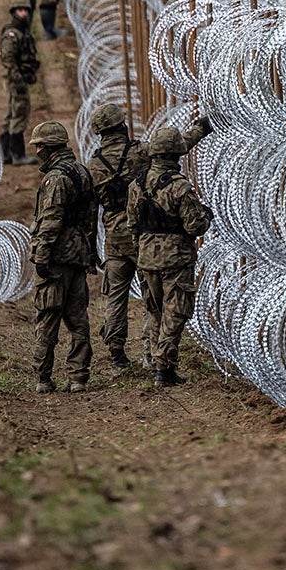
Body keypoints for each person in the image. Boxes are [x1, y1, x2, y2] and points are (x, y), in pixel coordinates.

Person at [133, 120, 211, 387]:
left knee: (154, 310)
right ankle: (164, 368)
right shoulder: (179, 186)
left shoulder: (138, 183)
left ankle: (153, 358)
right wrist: (206, 214)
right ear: (178, 154)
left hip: (146, 257)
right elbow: (195, 225)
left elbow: (133, 222)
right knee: (175, 312)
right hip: (176, 258)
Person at [28, 121, 97, 393]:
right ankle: (78, 376)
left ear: (49, 147)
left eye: (39, 146)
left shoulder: (56, 179)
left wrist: (41, 256)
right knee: (78, 320)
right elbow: (91, 218)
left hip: (57, 258)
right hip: (78, 255)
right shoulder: (82, 172)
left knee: (48, 318)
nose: (37, 152)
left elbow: (50, 221)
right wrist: (89, 253)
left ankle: (43, 378)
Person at [85, 102, 150, 374]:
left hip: (114, 238)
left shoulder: (93, 166)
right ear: (122, 126)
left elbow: (89, 213)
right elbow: (174, 146)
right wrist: (203, 127)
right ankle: (150, 353)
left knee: (116, 297)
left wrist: (90, 250)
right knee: (152, 295)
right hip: (143, 234)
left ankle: (117, 354)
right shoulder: (139, 153)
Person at [0, 0, 40, 165]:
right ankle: (17, 154)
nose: (23, 13)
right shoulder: (12, 34)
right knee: (19, 114)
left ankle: (6, 153)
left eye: (25, 10)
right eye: (19, 10)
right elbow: (8, 60)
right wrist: (19, 79)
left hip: (18, 79)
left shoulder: (22, 32)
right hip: (16, 80)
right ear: (14, 12)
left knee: (12, 114)